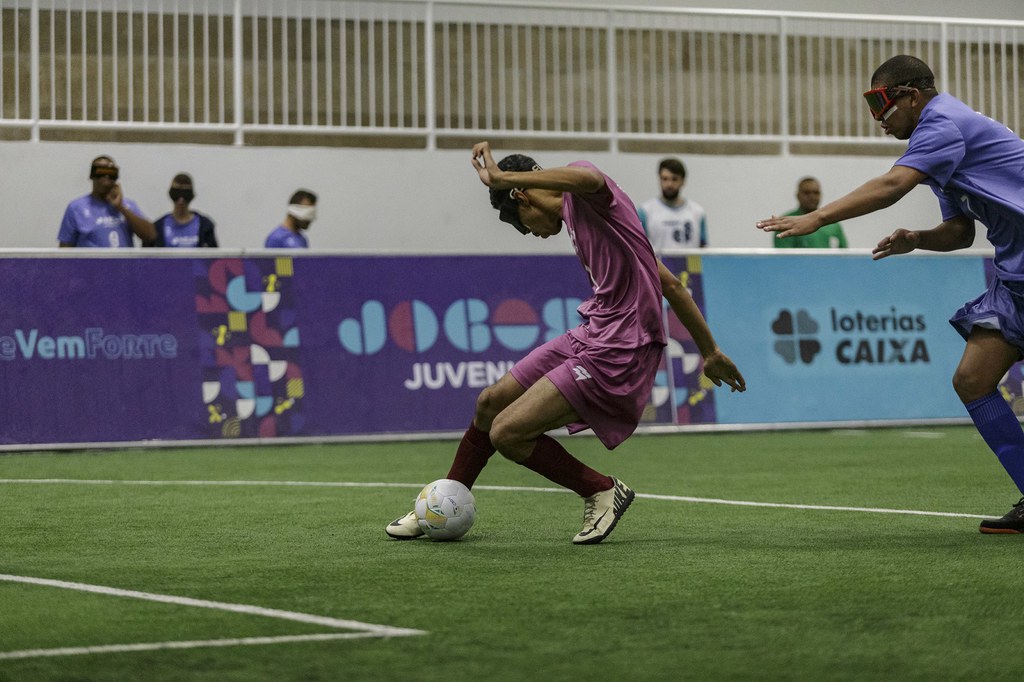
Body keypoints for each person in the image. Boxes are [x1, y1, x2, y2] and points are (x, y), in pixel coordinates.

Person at [386, 142, 746, 545]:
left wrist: (505, 178)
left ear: (522, 196)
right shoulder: (595, 223)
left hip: (619, 348)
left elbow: (589, 176)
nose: (531, 234)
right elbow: (673, 286)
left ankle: (600, 489)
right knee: (490, 402)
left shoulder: (588, 194)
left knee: (507, 433)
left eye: (521, 223)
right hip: (592, 332)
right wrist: (710, 352)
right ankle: (441, 503)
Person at [756, 54, 1024, 534]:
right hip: (1014, 277)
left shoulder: (945, 122)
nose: (879, 120)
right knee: (972, 380)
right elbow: (961, 232)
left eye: (883, 105)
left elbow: (893, 183)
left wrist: (817, 217)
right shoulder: (941, 151)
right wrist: (918, 239)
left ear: (913, 96)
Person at [57, 156, 155, 247]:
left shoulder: (128, 205)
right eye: (100, 173)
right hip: (90, 265)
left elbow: (150, 235)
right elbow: (65, 249)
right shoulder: (76, 208)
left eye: (111, 173)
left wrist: (121, 207)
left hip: (124, 265)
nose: (106, 177)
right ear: (92, 176)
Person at [637, 157, 707, 252]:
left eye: (674, 179)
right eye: (665, 179)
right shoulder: (645, 212)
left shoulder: (697, 212)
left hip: (690, 266)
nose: (669, 184)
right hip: (658, 266)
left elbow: (703, 250)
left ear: (683, 181)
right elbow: (638, 247)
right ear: (659, 180)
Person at [145, 173, 218, 248]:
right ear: (171, 194)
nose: (181, 200)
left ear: (191, 196)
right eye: (176, 193)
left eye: (186, 194)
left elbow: (213, 256)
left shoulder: (205, 226)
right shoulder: (158, 227)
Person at [772, 177, 847, 249]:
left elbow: (843, 255)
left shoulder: (832, 222)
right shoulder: (786, 223)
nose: (812, 197)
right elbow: (783, 258)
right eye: (807, 193)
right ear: (798, 195)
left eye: (816, 193)